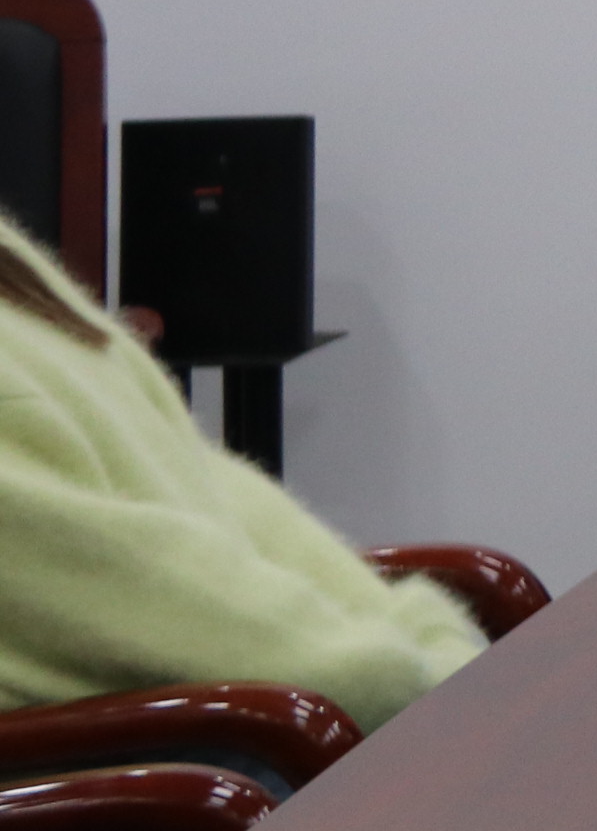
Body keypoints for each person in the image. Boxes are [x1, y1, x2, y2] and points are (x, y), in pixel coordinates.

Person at [1, 213, 482, 729]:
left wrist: (414, 633)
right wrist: (403, 682)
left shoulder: (12, 258)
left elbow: (201, 477)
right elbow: (121, 575)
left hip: (241, 717)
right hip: (133, 750)